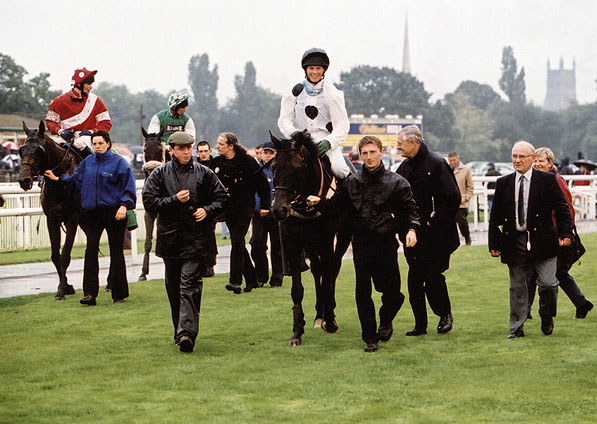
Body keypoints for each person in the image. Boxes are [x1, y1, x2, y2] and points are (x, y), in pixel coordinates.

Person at [307, 136, 420, 352]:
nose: (368, 157)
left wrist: (412, 230)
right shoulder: (351, 182)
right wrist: (318, 202)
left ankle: (386, 320)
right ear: (360, 155)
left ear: (381, 152)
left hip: (386, 243)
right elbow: (334, 207)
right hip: (361, 243)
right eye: (364, 153)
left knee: (393, 294)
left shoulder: (396, 182)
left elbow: (410, 211)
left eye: (372, 152)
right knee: (363, 291)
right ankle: (370, 337)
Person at [142, 132, 228, 353]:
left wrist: (206, 210)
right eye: (182, 149)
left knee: (188, 286)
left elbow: (223, 198)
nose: (187, 152)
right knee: (173, 288)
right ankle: (180, 330)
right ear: (171, 150)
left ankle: (186, 333)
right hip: (170, 240)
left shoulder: (205, 173)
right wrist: (174, 200)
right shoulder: (159, 174)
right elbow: (149, 202)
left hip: (197, 240)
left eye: (189, 148)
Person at [489, 141, 573, 338]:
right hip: (514, 240)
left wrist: (566, 234)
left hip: (543, 240)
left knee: (548, 284)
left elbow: (562, 209)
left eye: (521, 157)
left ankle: (546, 315)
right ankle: (516, 328)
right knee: (517, 285)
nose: (517, 161)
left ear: (532, 159)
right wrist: (494, 243)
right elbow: (495, 216)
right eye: (514, 157)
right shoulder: (504, 183)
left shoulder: (547, 181)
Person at [44, 131, 136, 305]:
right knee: (90, 251)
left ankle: (118, 294)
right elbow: (75, 181)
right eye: (94, 144)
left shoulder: (120, 163)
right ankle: (89, 294)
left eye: (100, 143)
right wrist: (57, 179)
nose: (97, 147)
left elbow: (128, 188)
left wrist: (124, 205)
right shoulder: (88, 162)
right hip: (92, 213)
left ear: (108, 143)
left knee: (116, 252)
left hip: (115, 212)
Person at [396, 125, 460, 336]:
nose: (398, 147)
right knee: (414, 280)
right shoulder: (403, 168)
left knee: (432, 277)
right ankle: (420, 325)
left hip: (436, 235)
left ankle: (445, 314)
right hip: (411, 235)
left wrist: (435, 222)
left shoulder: (438, 164)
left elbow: (452, 198)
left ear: (413, 143)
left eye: (400, 143)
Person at [527, 147, 593, 319]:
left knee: (544, 272)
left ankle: (525, 311)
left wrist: (565, 233)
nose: (537, 164)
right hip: (542, 236)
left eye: (541, 161)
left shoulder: (556, 180)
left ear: (550, 164)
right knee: (547, 272)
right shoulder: (535, 181)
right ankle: (581, 304)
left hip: (555, 236)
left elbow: (567, 209)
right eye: (535, 161)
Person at [209, 132, 271, 294]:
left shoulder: (248, 161)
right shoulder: (217, 162)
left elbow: (263, 185)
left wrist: (265, 206)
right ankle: (251, 279)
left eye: (221, 144)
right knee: (239, 243)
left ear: (231, 145)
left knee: (237, 239)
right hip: (229, 208)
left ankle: (235, 281)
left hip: (245, 207)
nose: (217, 146)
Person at [278, 47, 350, 179]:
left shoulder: (333, 94)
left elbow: (342, 126)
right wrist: (293, 133)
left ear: (324, 70)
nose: (315, 72)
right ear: (305, 69)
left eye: (318, 68)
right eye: (311, 68)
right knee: (282, 167)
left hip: (324, 140)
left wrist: (329, 142)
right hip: (299, 140)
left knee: (341, 170)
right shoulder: (292, 92)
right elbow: (284, 119)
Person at [45, 68, 111, 157]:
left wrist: (92, 132)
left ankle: (95, 165)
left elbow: (106, 123)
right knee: (48, 146)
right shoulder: (59, 101)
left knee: (79, 143)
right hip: (66, 137)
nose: (91, 87)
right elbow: (50, 122)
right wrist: (60, 131)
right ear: (79, 84)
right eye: (88, 84)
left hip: (88, 138)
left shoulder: (96, 100)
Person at [249, 141, 284, 288]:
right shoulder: (257, 171)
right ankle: (260, 275)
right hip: (259, 214)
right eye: (266, 153)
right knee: (257, 244)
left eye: (271, 153)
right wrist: (259, 207)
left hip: (276, 214)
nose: (268, 156)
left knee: (277, 247)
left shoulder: (281, 171)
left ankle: (277, 277)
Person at [448, 152, 474, 245]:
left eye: (454, 160)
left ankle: (467, 238)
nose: (452, 162)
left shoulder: (465, 170)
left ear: (458, 159)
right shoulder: (446, 169)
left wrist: (466, 198)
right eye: (450, 160)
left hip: (461, 202)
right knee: (449, 223)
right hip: (449, 202)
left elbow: (470, 186)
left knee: (462, 222)